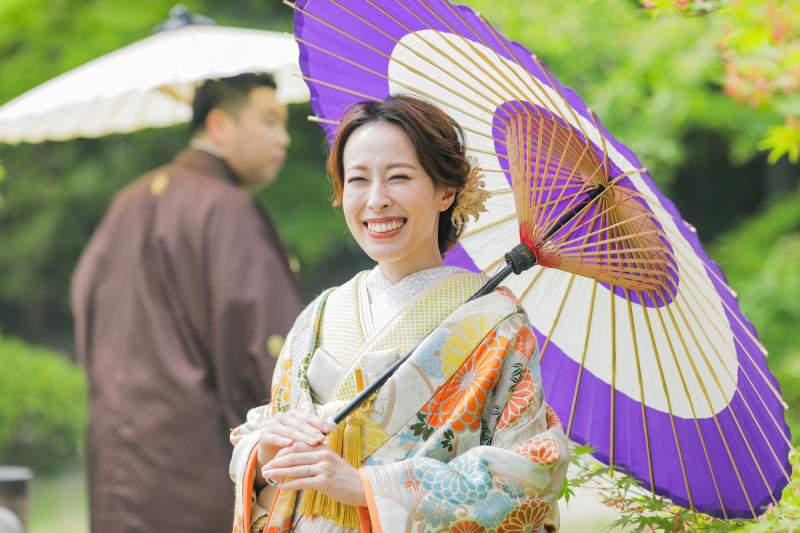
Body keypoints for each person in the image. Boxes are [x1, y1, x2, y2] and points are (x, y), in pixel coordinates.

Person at [229, 95, 568, 533]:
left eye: (399, 177)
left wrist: (368, 488)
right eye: (357, 179)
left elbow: (527, 475)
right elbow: (265, 434)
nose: (376, 200)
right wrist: (264, 454)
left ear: (446, 191)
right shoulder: (318, 315)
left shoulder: (495, 324)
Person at [71, 73, 303, 533]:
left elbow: (84, 304)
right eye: (269, 120)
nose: (284, 137)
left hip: (115, 455)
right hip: (197, 463)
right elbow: (268, 355)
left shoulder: (126, 201)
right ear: (219, 125)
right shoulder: (228, 209)